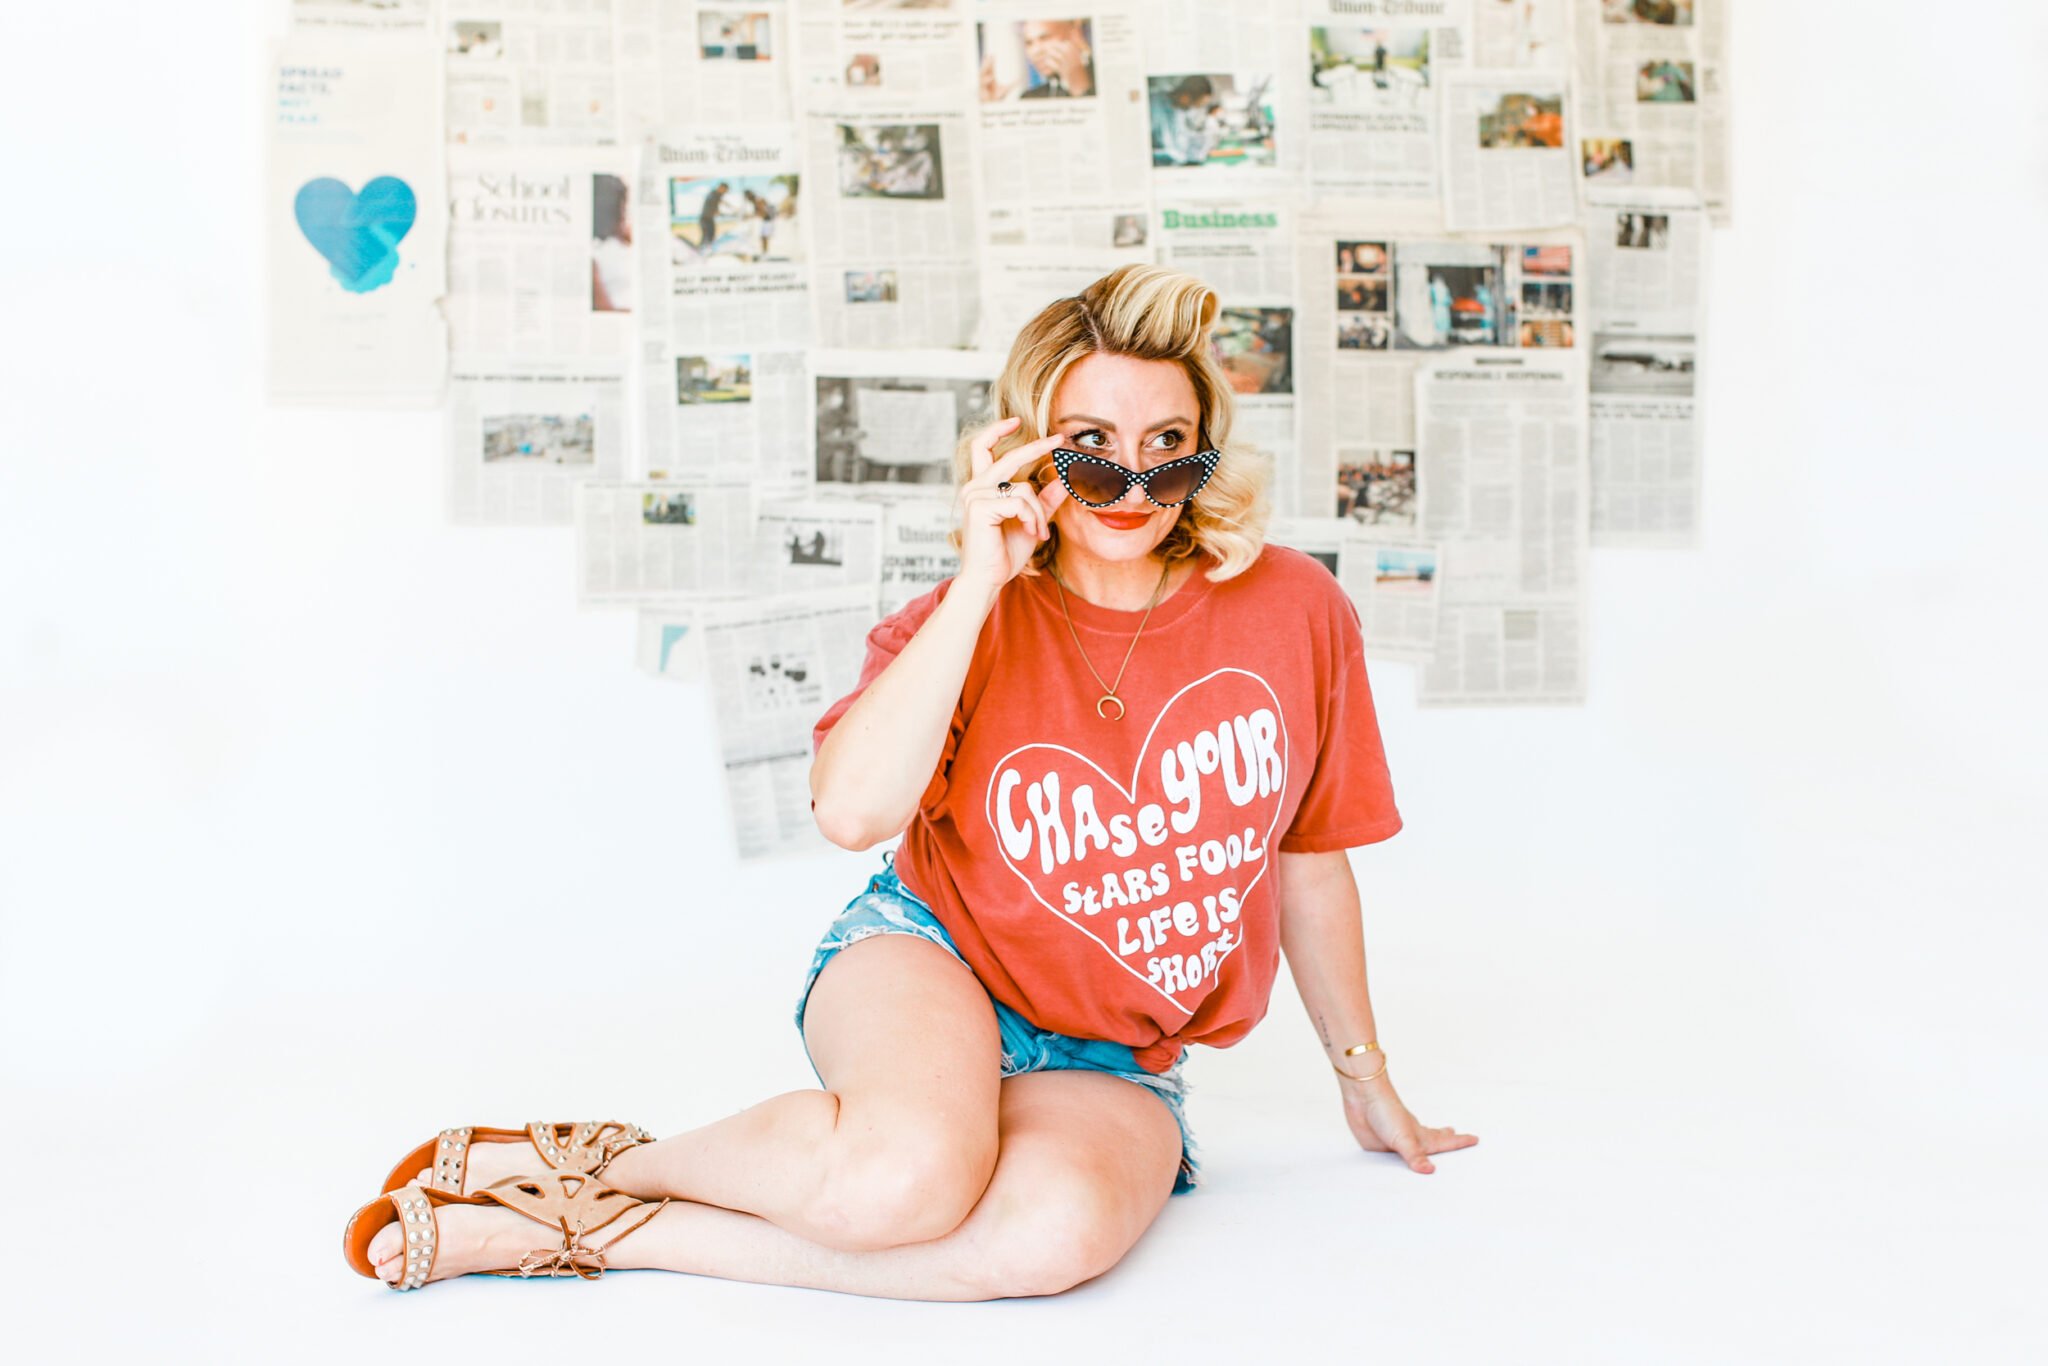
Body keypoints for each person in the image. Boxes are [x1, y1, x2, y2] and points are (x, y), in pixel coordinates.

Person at [341, 264, 1475, 1300]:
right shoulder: (961, 620)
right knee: (899, 1185)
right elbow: (851, 812)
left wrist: (1361, 1074)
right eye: (1088, 445)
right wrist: (983, 577)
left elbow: (1309, 855)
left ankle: (609, 1226)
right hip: (935, 961)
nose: (1132, 483)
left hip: (1114, 1050)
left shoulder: (1294, 610)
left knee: (1049, 1241)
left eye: (1168, 445)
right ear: (1027, 450)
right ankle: (594, 1166)